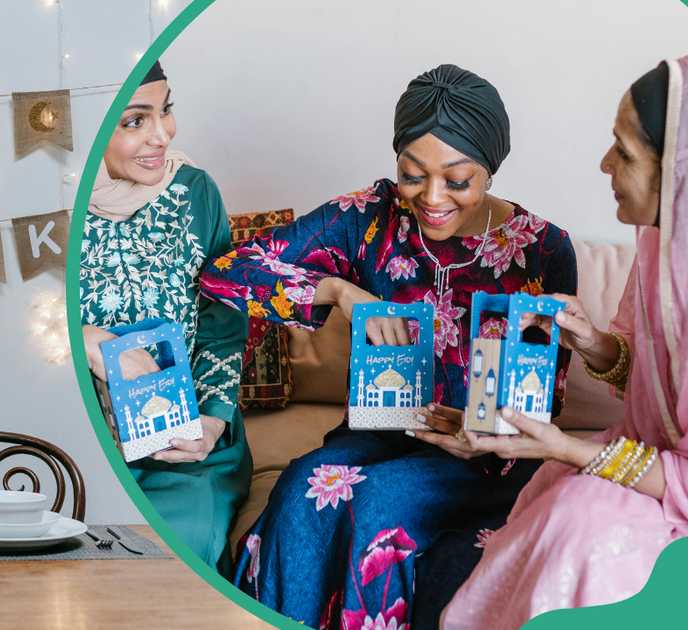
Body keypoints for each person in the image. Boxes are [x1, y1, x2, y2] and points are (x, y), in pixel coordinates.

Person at [200, 64, 577, 628]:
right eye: (412, 174)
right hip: (376, 436)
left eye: (457, 180)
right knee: (303, 488)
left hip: (483, 458)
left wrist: (489, 437)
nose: (431, 198)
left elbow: (546, 395)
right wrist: (336, 290)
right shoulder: (371, 219)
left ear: (491, 169)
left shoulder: (544, 250)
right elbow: (226, 274)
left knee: (382, 505)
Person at [443, 56, 688, 630]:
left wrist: (568, 449)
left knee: (578, 518)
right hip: (645, 464)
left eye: (624, 153)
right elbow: (653, 383)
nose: (604, 164)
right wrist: (591, 341)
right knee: (567, 504)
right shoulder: (661, 249)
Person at [80, 61, 251, 573]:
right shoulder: (45, 212)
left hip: (182, 446)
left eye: (166, 110)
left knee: (179, 544)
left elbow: (222, 320)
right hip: (77, 438)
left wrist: (214, 420)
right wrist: (91, 342)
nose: (162, 135)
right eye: (134, 120)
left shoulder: (194, 191)